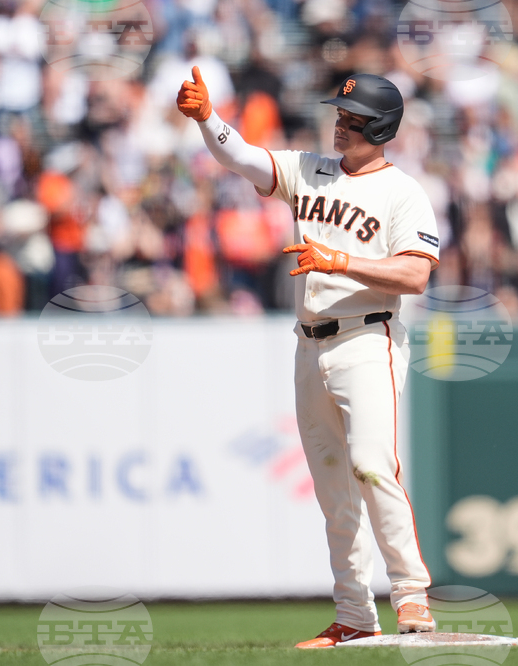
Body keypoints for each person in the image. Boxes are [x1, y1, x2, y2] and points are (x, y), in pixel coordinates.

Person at [177, 69, 439, 648]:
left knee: (373, 464)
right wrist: (208, 120)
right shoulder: (309, 169)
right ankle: (354, 613)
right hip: (309, 342)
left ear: (381, 127)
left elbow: (416, 274)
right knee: (331, 488)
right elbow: (242, 158)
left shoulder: (404, 192)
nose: (340, 125)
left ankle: (411, 592)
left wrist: (340, 262)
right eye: (339, 115)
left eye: (353, 119)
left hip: (367, 338)